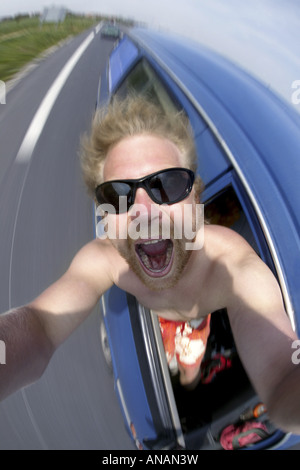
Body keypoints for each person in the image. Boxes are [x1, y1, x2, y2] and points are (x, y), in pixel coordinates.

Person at [0, 95, 300, 434]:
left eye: (168, 184)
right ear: (105, 217)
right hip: (163, 322)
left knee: (190, 372)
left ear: (196, 199)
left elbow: (283, 374)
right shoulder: (105, 260)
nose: (144, 213)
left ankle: (191, 390)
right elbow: (40, 325)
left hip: (197, 322)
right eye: (118, 195)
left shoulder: (232, 265)